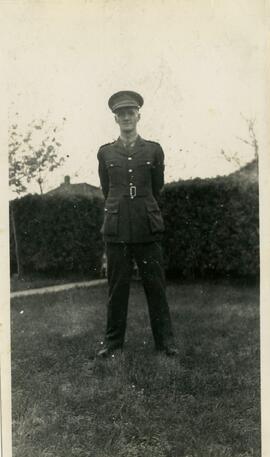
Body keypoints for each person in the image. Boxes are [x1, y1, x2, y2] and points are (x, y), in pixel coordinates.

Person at [96, 90, 178, 357]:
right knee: (116, 289)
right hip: (117, 228)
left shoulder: (153, 150)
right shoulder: (106, 152)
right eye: (121, 114)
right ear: (115, 119)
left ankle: (166, 344)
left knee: (155, 286)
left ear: (138, 116)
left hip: (146, 225)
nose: (126, 117)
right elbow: (107, 189)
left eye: (130, 113)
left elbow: (158, 186)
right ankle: (112, 345)